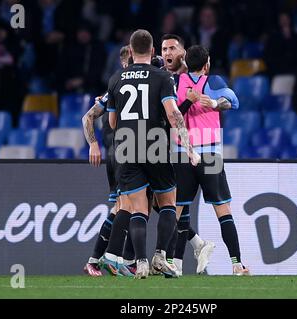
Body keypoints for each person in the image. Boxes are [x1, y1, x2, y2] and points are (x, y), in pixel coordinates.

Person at [105, 29, 199, 279]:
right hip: (154, 144)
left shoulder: (116, 79)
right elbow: (173, 113)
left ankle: (141, 262)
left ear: (131, 50)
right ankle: (160, 255)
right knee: (168, 202)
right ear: (154, 51)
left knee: (138, 209)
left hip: (126, 147)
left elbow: (112, 122)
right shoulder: (161, 77)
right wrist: (189, 147)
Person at [172, 45, 250, 276]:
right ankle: (237, 264)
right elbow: (233, 102)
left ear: (186, 62)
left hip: (181, 153)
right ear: (207, 64)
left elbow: (171, 111)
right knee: (222, 209)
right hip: (210, 153)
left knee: (177, 211)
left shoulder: (177, 82)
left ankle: (174, 265)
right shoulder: (213, 82)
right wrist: (214, 103)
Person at [159, 34, 215, 275]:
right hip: (160, 146)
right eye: (164, 49)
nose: (168, 52)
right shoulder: (162, 76)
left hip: (180, 148)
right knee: (167, 205)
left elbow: (175, 118)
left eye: (173, 48)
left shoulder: (189, 79)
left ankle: (176, 263)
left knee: (176, 205)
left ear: (183, 52)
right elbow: (168, 118)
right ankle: (196, 245)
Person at [82, 45, 135, 278]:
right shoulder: (117, 87)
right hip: (121, 155)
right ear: (125, 64)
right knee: (128, 206)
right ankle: (104, 259)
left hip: (126, 152)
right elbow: (88, 116)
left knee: (128, 207)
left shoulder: (117, 87)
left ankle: (116, 259)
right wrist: (93, 144)